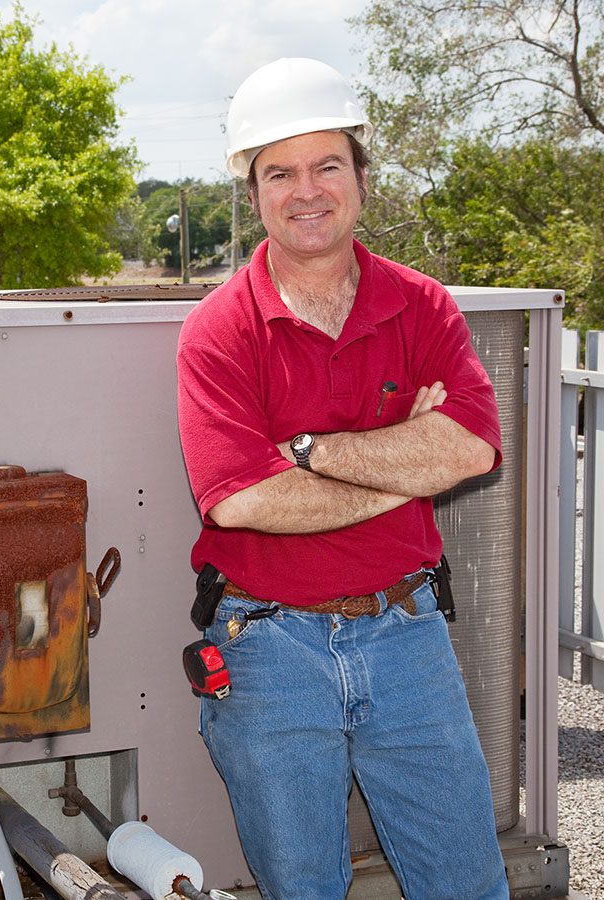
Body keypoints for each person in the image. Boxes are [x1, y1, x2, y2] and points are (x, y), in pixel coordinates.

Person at [176, 58, 510, 899]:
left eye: (328, 164)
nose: (307, 190)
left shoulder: (422, 304)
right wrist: (406, 458)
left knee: (467, 884)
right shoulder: (219, 331)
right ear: (252, 193)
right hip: (267, 648)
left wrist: (311, 449)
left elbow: (471, 449)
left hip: (408, 633)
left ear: (361, 177)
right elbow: (246, 500)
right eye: (279, 172)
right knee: (305, 888)